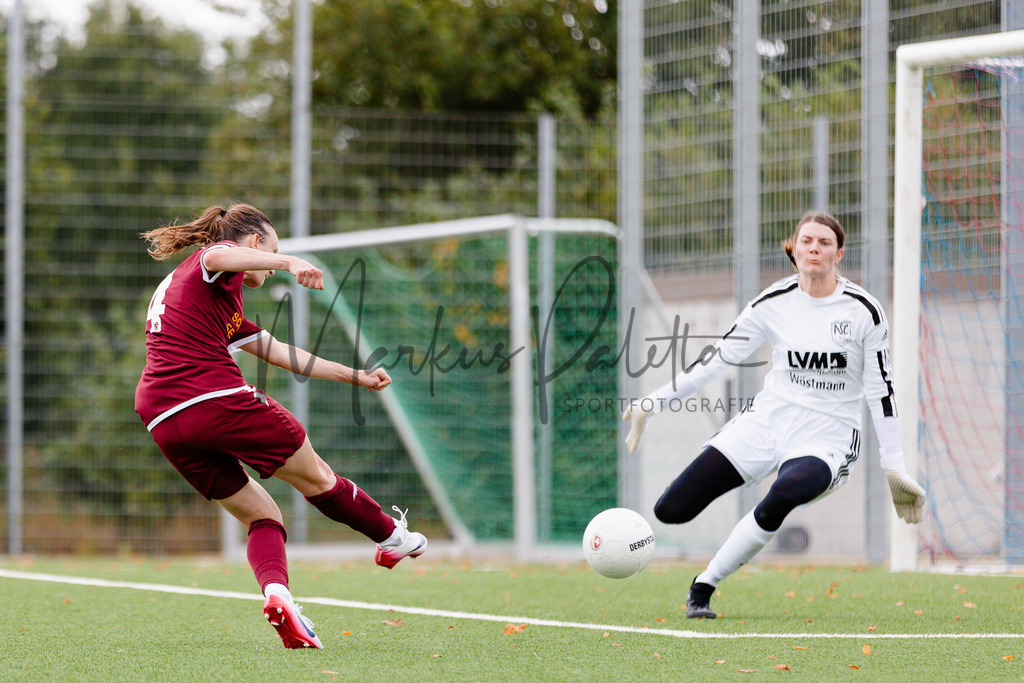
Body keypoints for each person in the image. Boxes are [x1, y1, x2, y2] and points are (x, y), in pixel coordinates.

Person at [134, 203, 427, 649]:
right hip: (212, 398)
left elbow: (282, 352)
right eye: (271, 251)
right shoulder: (212, 261)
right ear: (254, 243)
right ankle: (391, 536)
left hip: (162, 416)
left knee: (263, 515)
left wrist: (358, 375)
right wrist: (289, 261)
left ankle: (278, 595)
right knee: (319, 478)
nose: (270, 269)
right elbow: (220, 256)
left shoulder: (219, 304)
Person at [621, 210, 925, 619]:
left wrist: (894, 466)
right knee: (670, 510)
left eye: (824, 243)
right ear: (793, 249)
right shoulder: (772, 302)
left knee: (783, 493)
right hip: (766, 423)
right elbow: (716, 360)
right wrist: (652, 403)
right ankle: (697, 569)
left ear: (838, 254)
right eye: (806, 241)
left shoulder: (863, 311)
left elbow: (881, 391)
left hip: (827, 440)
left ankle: (703, 586)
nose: (814, 248)